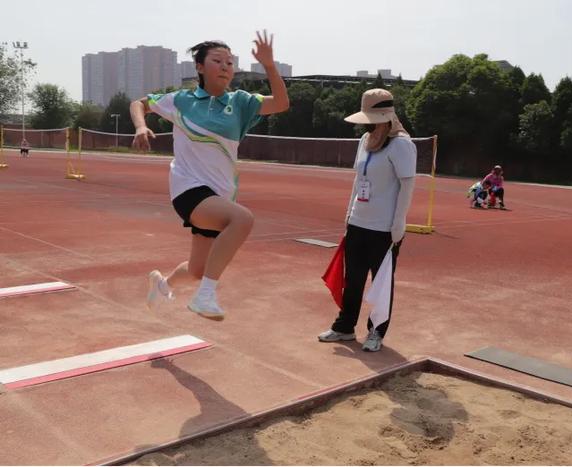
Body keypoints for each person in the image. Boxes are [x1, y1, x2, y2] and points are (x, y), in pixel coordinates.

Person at [130, 32, 289, 320]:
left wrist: (269, 65)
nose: (226, 66)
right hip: (188, 189)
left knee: (196, 269)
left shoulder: (241, 102)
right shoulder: (181, 100)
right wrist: (141, 127)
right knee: (242, 219)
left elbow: (280, 103)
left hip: (220, 194)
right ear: (200, 67)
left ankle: (162, 284)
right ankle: (205, 296)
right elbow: (138, 103)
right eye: (217, 61)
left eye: (230, 62)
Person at [318, 89, 416, 352]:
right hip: (359, 223)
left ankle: (376, 332)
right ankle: (344, 327)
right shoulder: (365, 140)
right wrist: (349, 212)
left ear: (385, 117)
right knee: (353, 280)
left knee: (382, 284)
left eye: (372, 118)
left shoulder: (402, 145)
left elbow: (407, 186)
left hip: (384, 229)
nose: (368, 124)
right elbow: (358, 180)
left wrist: (398, 224)